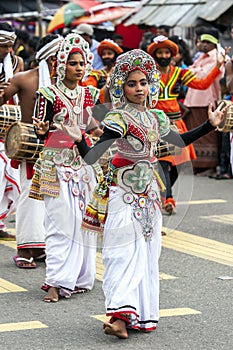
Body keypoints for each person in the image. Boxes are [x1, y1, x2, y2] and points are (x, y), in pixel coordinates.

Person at [56, 49, 227, 338]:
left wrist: (208, 125)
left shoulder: (156, 117)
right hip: (122, 194)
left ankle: (140, 315)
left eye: (143, 83)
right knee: (121, 253)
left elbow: (178, 141)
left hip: (150, 197)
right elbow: (93, 155)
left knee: (147, 254)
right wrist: (78, 141)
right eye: (132, 84)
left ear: (151, 85)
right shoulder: (118, 118)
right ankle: (120, 316)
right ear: (122, 87)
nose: (139, 89)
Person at [31, 33, 102, 302]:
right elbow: (40, 131)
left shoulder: (90, 93)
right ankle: (55, 281)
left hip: (82, 164)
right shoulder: (47, 94)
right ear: (61, 65)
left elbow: (92, 125)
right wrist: (42, 130)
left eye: (82, 63)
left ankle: (80, 277)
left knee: (84, 222)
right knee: (60, 223)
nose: (79, 68)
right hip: (56, 165)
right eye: (73, 63)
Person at [0, 34, 62, 267]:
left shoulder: (66, 84)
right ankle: (26, 250)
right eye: (59, 55)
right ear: (50, 57)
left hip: (59, 147)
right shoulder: (23, 79)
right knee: (31, 198)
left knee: (55, 200)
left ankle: (45, 246)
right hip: (31, 148)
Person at [147, 35, 225, 213]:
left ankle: (162, 194)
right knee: (164, 162)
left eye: (167, 52)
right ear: (154, 54)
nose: (164, 55)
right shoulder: (148, 75)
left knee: (179, 164)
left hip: (176, 122)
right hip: (157, 123)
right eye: (160, 52)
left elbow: (202, 84)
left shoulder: (179, 73)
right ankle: (168, 198)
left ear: (172, 55)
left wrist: (218, 65)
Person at [183, 28, 226, 176]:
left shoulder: (218, 57)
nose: (204, 44)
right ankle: (197, 165)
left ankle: (208, 166)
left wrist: (194, 71)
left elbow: (202, 75)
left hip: (206, 100)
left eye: (208, 42)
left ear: (215, 43)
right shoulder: (202, 57)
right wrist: (195, 70)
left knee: (207, 135)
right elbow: (191, 71)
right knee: (194, 133)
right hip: (193, 99)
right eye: (203, 41)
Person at [0, 22, 23, 240]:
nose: (7, 51)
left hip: (8, 128)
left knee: (7, 176)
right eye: (3, 46)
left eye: (10, 46)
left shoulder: (17, 63)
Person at [83, 39, 123, 103]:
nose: (105, 56)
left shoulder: (122, 72)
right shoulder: (96, 74)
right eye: (103, 54)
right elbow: (89, 90)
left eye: (109, 53)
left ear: (115, 55)